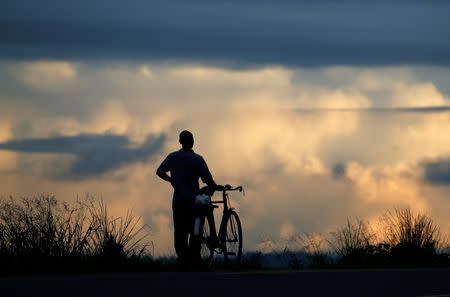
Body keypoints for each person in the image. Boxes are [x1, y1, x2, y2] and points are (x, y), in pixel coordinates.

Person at [156, 130, 223, 269]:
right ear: (193, 142)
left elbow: (160, 171)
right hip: (195, 203)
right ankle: (195, 259)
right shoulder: (198, 159)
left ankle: (183, 260)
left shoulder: (173, 157)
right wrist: (215, 187)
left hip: (179, 201)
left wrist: (171, 180)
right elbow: (208, 180)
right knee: (196, 231)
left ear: (180, 141)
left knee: (180, 232)